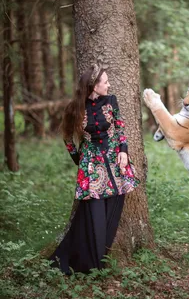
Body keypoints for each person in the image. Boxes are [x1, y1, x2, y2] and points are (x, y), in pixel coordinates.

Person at [49, 64, 140, 274]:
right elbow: (67, 137)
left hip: (115, 162)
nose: (108, 85)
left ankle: (101, 260)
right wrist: (78, 159)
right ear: (94, 85)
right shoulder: (75, 108)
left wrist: (124, 150)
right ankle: (89, 264)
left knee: (114, 209)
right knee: (94, 214)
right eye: (105, 82)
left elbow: (120, 127)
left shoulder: (111, 101)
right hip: (91, 166)